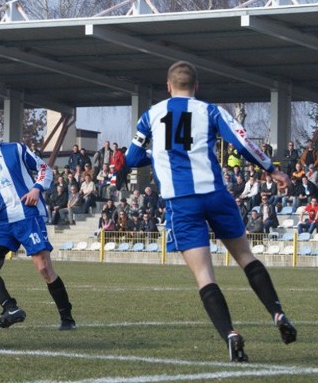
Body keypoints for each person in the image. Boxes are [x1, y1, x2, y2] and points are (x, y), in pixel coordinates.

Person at [125, 60, 296, 362]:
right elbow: (242, 144)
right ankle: (278, 312)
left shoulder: (151, 115)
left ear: (168, 86)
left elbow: (133, 156)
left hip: (182, 202)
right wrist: (272, 170)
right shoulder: (210, 111)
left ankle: (230, 334)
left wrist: (155, 155)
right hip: (216, 195)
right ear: (196, 87)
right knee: (245, 257)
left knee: (205, 274)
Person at [0, 111, 76, 331]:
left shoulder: (16, 149)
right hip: (1, 222)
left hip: (28, 216)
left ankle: (67, 318)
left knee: (44, 268)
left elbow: (44, 169)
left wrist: (36, 188)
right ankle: (10, 307)